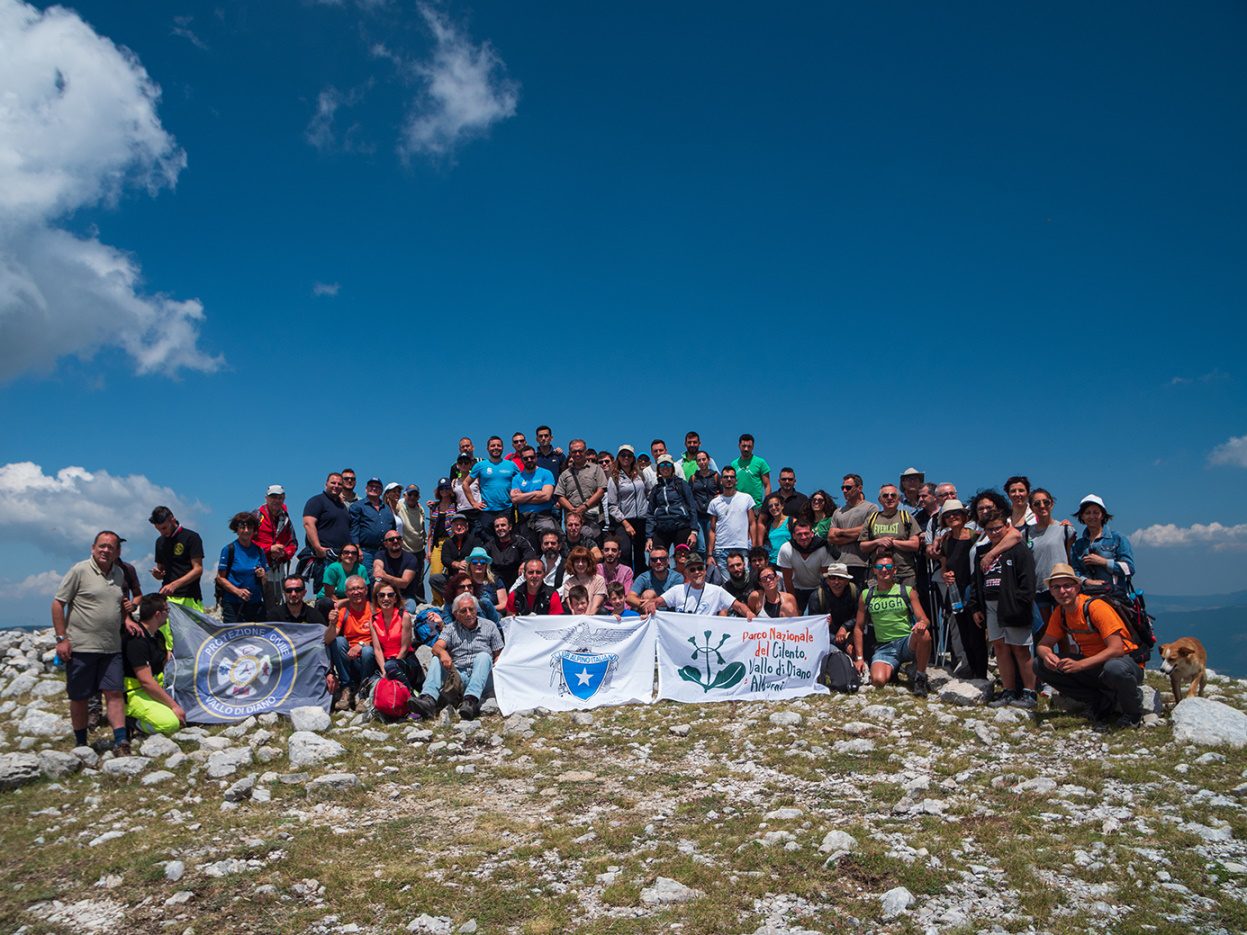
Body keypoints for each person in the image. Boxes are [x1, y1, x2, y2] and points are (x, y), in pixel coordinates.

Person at [1034, 563, 1144, 729]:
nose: (1062, 591)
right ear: (1051, 590)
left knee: (1114, 668)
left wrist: (1080, 665)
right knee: (1039, 665)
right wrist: (1047, 655)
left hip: (1125, 663)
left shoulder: (1095, 607)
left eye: (1067, 586)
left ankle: (1132, 714)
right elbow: (1043, 644)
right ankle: (1099, 701)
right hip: (1095, 666)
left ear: (1077, 587)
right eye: (1056, 587)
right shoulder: (1061, 612)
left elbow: (1116, 649)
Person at [52, 531, 131, 753]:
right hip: (81, 646)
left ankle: (121, 740)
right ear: (93, 548)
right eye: (102, 546)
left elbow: (117, 604)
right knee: (79, 696)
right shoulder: (79, 570)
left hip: (111, 646)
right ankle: (81, 743)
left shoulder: (119, 574)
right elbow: (58, 603)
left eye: (111, 547)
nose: (106, 550)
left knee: (114, 692)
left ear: (118, 552)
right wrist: (61, 639)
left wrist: (128, 618)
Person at [967, 514, 1038, 709]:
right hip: (990, 604)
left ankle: (1030, 693)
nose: (995, 532)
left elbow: (1028, 579)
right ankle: (1008, 690)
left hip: (1013, 604)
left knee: (1020, 648)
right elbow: (976, 581)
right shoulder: (983, 551)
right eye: (990, 530)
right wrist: (976, 607)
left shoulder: (1019, 549)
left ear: (1007, 526)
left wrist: (1022, 602)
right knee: (1000, 647)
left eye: (998, 528)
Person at [411, 593, 504, 721]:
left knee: (484, 656)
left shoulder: (490, 626)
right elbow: (436, 647)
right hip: (459, 677)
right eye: (463, 611)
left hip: (483, 679)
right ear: (455, 614)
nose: (468, 614)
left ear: (476, 610)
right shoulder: (450, 629)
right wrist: (443, 653)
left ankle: (470, 701)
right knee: (436, 659)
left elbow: (499, 655)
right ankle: (428, 699)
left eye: (471, 609)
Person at [853, 555, 931, 697]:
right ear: (874, 571)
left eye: (888, 567)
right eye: (879, 567)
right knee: (878, 681)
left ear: (894, 570)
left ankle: (920, 678)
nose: (884, 570)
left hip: (906, 642)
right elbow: (858, 627)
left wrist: (921, 624)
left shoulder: (907, 591)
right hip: (884, 647)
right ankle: (901, 668)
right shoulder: (866, 595)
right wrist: (859, 658)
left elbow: (924, 619)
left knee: (924, 634)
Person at [937, 499, 987, 679]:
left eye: (956, 513)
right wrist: (945, 575)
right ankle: (971, 669)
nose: (952, 517)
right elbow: (944, 564)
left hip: (973, 590)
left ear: (965, 516)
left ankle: (981, 673)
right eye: (948, 515)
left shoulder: (977, 536)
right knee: (963, 632)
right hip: (955, 592)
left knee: (976, 632)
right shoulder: (946, 540)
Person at [122, 594, 185, 736]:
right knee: (171, 723)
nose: (168, 615)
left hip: (155, 689)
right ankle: (132, 722)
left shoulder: (158, 636)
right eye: (167, 611)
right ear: (158, 614)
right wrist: (174, 706)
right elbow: (146, 681)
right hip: (135, 693)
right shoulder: (136, 639)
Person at [1026, 488, 1075, 636]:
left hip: (1062, 588)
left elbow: (1071, 555)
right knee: (1043, 632)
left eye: (1046, 502)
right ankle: (1045, 660)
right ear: (1032, 507)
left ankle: (1067, 659)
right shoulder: (1027, 533)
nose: (1042, 506)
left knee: (1064, 633)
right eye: (1037, 503)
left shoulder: (1065, 529)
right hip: (1039, 588)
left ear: (1052, 504)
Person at [647, 554, 754, 617]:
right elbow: (657, 602)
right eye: (692, 570)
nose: (697, 572)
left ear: (705, 571)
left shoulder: (717, 591)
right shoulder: (677, 590)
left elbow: (739, 606)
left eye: (700, 568)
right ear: (686, 573)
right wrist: (652, 605)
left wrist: (748, 613)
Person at [1071, 495, 1137, 597]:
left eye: (1096, 512)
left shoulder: (1118, 538)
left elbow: (1129, 569)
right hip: (1087, 596)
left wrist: (1104, 562)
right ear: (1082, 516)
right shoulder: (1078, 545)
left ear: (1102, 515)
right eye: (1088, 513)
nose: (1092, 516)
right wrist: (1086, 581)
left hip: (1114, 597)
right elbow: (1075, 571)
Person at [857, 485, 921, 586]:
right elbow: (862, 546)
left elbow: (915, 544)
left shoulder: (906, 517)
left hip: (904, 574)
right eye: (885, 495)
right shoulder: (872, 519)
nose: (889, 498)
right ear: (880, 500)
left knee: (907, 601)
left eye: (893, 495)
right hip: (878, 575)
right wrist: (878, 542)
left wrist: (893, 543)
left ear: (898, 499)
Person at [328, 576, 375, 710]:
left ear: (366, 590)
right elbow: (330, 638)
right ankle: (346, 689)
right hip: (349, 656)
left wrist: (360, 645)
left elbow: (381, 639)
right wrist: (332, 623)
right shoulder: (344, 611)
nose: (356, 592)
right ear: (347, 593)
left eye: (360, 588)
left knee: (367, 651)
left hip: (367, 658)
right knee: (338, 641)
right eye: (352, 589)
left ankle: (363, 692)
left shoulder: (373, 610)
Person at [150, 506, 205, 615]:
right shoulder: (160, 542)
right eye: (158, 529)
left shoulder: (191, 537)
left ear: (172, 519)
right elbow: (161, 570)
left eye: (164, 528)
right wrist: (157, 574)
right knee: (165, 632)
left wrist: (175, 585)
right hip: (167, 598)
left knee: (192, 632)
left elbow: (198, 569)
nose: (162, 532)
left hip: (189, 596)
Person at [215, 511, 268, 623]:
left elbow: (265, 580)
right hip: (233, 605)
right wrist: (238, 591)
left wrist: (263, 575)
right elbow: (220, 578)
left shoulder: (259, 551)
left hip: (255, 604)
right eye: (242, 527)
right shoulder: (229, 550)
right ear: (236, 530)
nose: (246, 530)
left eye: (250, 527)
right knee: (235, 639)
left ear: (254, 530)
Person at [370, 584, 423, 695]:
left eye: (390, 595)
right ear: (377, 599)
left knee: (391, 666)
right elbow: (377, 649)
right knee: (373, 681)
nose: (386, 598)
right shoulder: (373, 620)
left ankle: (410, 696)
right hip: (385, 662)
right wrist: (384, 671)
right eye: (381, 595)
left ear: (395, 599)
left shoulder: (404, 616)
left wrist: (390, 669)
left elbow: (404, 648)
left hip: (404, 661)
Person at [607, 444, 652, 572]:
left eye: (629, 455)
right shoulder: (614, 478)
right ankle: (624, 581)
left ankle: (639, 583)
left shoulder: (640, 475)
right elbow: (612, 505)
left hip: (641, 519)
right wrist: (625, 523)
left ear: (633, 458)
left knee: (640, 554)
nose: (626, 458)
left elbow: (649, 492)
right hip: (624, 520)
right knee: (625, 551)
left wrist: (647, 507)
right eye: (623, 455)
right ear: (618, 458)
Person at [302, 473, 350, 593]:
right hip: (325, 557)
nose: (336, 486)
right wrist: (318, 547)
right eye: (333, 483)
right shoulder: (317, 501)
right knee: (324, 595)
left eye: (339, 484)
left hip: (341, 557)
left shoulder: (342, 506)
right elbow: (308, 523)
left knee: (341, 593)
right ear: (326, 484)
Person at [776, 519, 835, 612]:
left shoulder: (823, 549)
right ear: (793, 536)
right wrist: (794, 603)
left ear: (812, 534)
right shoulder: (786, 549)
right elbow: (787, 580)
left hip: (818, 589)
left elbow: (826, 578)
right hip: (796, 589)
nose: (803, 537)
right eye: (799, 534)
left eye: (806, 533)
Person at [555, 439, 609, 539]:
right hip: (573, 520)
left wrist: (584, 507)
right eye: (574, 452)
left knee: (593, 548)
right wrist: (573, 510)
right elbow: (560, 495)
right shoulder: (565, 474)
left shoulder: (596, 469)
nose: (577, 454)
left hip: (594, 517)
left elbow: (601, 490)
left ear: (585, 451)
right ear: (570, 453)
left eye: (580, 451)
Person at [706, 466, 757, 572]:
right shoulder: (714, 503)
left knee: (745, 582)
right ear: (721, 481)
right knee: (727, 586)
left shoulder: (746, 498)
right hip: (721, 549)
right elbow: (712, 529)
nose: (729, 479)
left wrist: (754, 547)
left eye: (732, 477)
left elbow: (752, 523)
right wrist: (710, 554)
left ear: (736, 480)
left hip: (742, 547)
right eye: (726, 477)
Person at [254, 485, 297, 608]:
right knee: (260, 603)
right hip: (258, 568)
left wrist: (285, 553)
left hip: (279, 569)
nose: (276, 500)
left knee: (278, 604)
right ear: (266, 498)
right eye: (273, 497)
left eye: (280, 497)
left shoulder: (286, 518)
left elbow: (293, 543)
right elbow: (246, 542)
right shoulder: (257, 516)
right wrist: (269, 549)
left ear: (284, 498)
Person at [646, 455, 699, 554]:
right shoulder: (656, 489)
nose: (665, 467)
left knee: (685, 558)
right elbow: (650, 513)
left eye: (668, 464)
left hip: (681, 525)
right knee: (656, 557)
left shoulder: (681, 484)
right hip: (661, 527)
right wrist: (649, 537)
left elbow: (692, 507)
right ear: (658, 469)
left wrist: (694, 531)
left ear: (672, 468)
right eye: (662, 465)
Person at [827, 474, 872, 588]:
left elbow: (866, 530)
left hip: (861, 563)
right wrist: (856, 535)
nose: (844, 491)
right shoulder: (838, 512)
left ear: (859, 488)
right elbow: (831, 537)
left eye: (848, 487)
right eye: (843, 488)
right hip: (840, 564)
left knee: (860, 600)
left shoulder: (870, 508)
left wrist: (841, 532)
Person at [470, 436, 521, 536]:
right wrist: (474, 503)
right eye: (493, 445)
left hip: (507, 509)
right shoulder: (480, 465)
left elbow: (520, 481)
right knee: (488, 541)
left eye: (499, 445)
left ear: (502, 448)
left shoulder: (511, 465)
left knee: (508, 539)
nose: (496, 447)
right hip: (487, 511)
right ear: (487, 448)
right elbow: (465, 484)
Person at [806, 563, 859, 655]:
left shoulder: (855, 592)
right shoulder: (817, 596)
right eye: (832, 578)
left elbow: (861, 617)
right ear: (827, 581)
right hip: (827, 637)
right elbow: (815, 628)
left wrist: (845, 627)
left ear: (847, 581)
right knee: (835, 653)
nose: (836, 582)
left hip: (850, 633)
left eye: (840, 578)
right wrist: (843, 644)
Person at [429, 513, 484, 601]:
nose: (459, 527)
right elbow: (445, 559)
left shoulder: (475, 540)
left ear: (467, 527)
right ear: (451, 527)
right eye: (456, 525)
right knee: (434, 579)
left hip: (471, 576)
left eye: (462, 524)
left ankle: (472, 598)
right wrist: (456, 564)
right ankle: (454, 598)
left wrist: (467, 565)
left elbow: (479, 556)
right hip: (453, 577)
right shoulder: (448, 542)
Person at [511, 445, 558, 542]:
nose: (529, 460)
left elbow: (546, 496)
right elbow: (515, 499)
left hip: (543, 518)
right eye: (525, 458)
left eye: (531, 457)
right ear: (522, 460)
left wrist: (523, 496)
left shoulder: (546, 473)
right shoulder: (517, 478)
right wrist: (536, 493)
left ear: (536, 457)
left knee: (550, 544)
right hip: (524, 519)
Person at [316, 544, 371, 621]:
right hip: (331, 600)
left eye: (354, 553)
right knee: (326, 603)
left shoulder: (361, 569)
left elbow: (364, 592)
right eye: (346, 552)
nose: (350, 555)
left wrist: (346, 601)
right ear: (341, 555)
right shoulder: (333, 568)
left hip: (352, 599)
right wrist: (344, 602)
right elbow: (329, 595)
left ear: (357, 557)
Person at [349, 477, 395, 567]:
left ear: (381, 491)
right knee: (367, 580)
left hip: (385, 553)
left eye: (377, 487)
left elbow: (392, 529)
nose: (374, 488)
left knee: (383, 579)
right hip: (366, 552)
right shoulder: (357, 506)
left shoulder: (387, 508)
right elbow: (353, 529)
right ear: (366, 488)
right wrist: (357, 549)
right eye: (371, 486)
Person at [373, 530, 423, 611]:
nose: (395, 541)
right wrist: (378, 578)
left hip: (405, 597)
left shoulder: (411, 559)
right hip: (386, 595)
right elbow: (378, 569)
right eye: (391, 539)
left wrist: (385, 576)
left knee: (409, 610)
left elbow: (404, 583)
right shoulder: (380, 555)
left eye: (398, 538)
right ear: (385, 544)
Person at [394, 484, 428, 602]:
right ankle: (402, 601)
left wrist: (425, 547)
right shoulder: (399, 505)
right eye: (410, 494)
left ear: (418, 497)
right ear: (405, 495)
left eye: (415, 495)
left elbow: (423, 528)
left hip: (419, 549)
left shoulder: (420, 509)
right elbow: (389, 502)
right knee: (404, 577)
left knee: (419, 579)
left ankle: (420, 603)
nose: (412, 497)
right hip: (405, 550)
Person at [485, 514, 535, 590]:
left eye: (503, 525)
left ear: (510, 527)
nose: (500, 528)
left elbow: (530, 552)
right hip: (497, 580)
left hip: (516, 578)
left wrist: (525, 562)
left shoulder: (519, 541)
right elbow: (481, 554)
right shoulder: (491, 544)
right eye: (497, 526)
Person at [426, 478, 458, 587]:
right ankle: (437, 602)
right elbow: (430, 530)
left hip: (452, 543)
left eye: (446, 488)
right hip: (437, 544)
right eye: (441, 488)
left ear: (450, 490)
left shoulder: (456, 506)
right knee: (434, 575)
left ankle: (448, 601)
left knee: (451, 576)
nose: (444, 490)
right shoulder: (434, 507)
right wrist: (429, 550)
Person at [689, 451, 721, 551]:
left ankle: (710, 565)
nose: (702, 462)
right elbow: (689, 495)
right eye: (699, 460)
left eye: (704, 459)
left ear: (708, 460)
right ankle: (701, 566)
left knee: (711, 544)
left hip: (711, 516)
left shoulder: (715, 476)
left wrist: (719, 495)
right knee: (701, 546)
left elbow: (724, 493)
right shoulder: (693, 478)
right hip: (697, 515)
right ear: (697, 463)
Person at [463, 547, 505, 623]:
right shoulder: (465, 582)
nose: (479, 564)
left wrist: (489, 608)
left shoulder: (496, 580)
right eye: (475, 562)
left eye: (482, 562)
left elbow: (504, 603)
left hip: (493, 615)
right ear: (470, 565)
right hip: (471, 615)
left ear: (486, 565)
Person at [560, 546, 607, 614]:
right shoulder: (568, 582)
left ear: (589, 563)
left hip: (593, 617)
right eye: (577, 561)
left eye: (584, 561)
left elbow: (595, 606)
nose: (580, 564)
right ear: (572, 563)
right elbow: (572, 608)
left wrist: (586, 621)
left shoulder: (599, 580)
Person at [729, 433, 771, 507]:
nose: (746, 449)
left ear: (753, 447)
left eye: (749, 446)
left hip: (756, 507)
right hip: (737, 506)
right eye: (744, 446)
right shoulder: (733, 464)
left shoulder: (761, 462)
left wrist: (765, 506)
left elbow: (767, 485)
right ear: (739, 446)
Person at [451, 454, 484, 535]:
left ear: (470, 465)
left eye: (466, 462)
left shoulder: (477, 479)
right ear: (457, 465)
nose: (463, 465)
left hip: (476, 512)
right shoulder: (454, 482)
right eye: (460, 462)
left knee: (477, 537)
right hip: (462, 513)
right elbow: (449, 498)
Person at [756, 493, 792, 563]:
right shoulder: (769, 525)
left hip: (788, 563)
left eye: (776, 505)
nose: (773, 508)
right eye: (770, 506)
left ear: (782, 506)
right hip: (772, 564)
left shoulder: (791, 521)